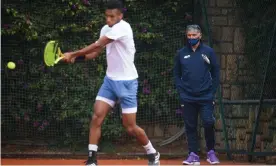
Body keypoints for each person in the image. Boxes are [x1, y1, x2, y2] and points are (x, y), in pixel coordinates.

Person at [62, 0, 160, 166]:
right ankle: (92, 160)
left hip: (127, 83)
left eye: (112, 16)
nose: (108, 19)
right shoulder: (105, 29)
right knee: (96, 117)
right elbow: (96, 52)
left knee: (130, 127)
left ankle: (152, 153)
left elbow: (98, 44)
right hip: (109, 81)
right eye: (106, 16)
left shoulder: (123, 28)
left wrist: (73, 53)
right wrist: (76, 59)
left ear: (120, 16)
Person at [173, 24, 220, 165]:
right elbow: (176, 74)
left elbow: (216, 73)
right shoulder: (181, 53)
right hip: (187, 97)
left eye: (194, 35)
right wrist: (181, 92)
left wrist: (212, 93)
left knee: (208, 122)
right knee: (190, 126)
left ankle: (211, 152)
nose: (191, 38)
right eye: (189, 35)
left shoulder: (209, 52)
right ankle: (193, 154)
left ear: (200, 35)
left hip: (206, 97)